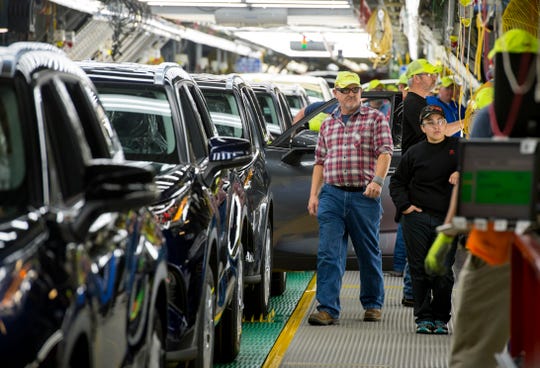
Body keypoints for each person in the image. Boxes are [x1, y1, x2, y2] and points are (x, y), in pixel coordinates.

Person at [425, 28, 539, 367]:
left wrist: (447, 232)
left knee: (473, 351)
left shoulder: (489, 115)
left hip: (494, 244)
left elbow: (470, 176)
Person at [306, 71, 393, 325]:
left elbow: (385, 152)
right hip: (332, 195)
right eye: (345, 90)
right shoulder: (327, 124)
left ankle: (373, 303)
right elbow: (320, 162)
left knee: (368, 252)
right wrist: (314, 195)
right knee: (328, 253)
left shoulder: (375, 119)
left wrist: (377, 181)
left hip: (363, 196)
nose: (351, 94)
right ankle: (327, 309)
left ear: (360, 92)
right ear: (336, 94)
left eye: (355, 89)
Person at [389, 105, 460, 334]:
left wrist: (463, 172)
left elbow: (478, 172)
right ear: (423, 128)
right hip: (417, 219)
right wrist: (406, 207)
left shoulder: (459, 149)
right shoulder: (414, 152)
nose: (437, 126)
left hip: (446, 219)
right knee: (419, 269)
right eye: (431, 123)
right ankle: (423, 317)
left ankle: (441, 318)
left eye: (440, 121)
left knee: (442, 271)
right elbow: (397, 182)